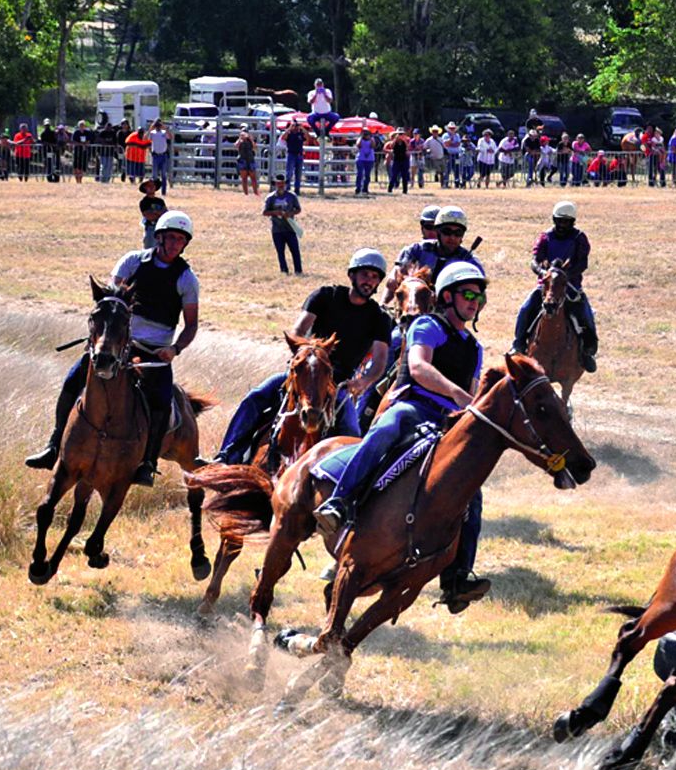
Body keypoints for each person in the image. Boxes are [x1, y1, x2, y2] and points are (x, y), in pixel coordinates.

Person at [313, 260, 491, 613]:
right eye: (469, 294)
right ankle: (339, 501)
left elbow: (473, 389)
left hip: (446, 421)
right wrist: (457, 395)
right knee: (385, 430)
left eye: (479, 297)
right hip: (414, 406)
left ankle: (456, 578)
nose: (475, 301)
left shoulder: (474, 346)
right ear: (447, 297)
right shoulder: (428, 325)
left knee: (473, 494)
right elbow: (419, 367)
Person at [25, 211, 201, 486]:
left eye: (181, 239)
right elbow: (109, 301)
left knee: (162, 402)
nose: (175, 244)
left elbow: (191, 326)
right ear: (159, 238)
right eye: (171, 238)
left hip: (155, 352)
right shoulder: (132, 261)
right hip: (118, 342)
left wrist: (175, 349)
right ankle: (53, 445)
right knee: (73, 380)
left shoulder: (187, 279)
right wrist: (102, 336)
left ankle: (147, 463)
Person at [211, 249, 393, 466]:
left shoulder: (379, 318)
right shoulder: (326, 296)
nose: (369, 281)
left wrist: (363, 381)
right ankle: (226, 456)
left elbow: (380, 361)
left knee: (352, 431)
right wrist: (312, 354)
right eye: (365, 274)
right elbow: (298, 332)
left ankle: (346, 488)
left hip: (338, 384)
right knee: (256, 397)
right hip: (304, 371)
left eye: (375, 277)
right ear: (352, 275)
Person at [512, 201, 597, 371]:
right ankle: (518, 344)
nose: (562, 225)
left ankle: (588, 350)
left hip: (571, 287)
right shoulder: (545, 237)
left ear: (572, 222)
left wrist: (565, 276)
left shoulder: (579, 238)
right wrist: (543, 274)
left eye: (566, 222)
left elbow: (582, 263)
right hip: (546, 287)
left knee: (585, 314)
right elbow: (534, 260)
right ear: (554, 219)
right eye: (559, 221)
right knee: (526, 308)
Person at [263, 174, 303, 274]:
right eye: (278, 183)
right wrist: (276, 213)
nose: (281, 185)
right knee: (280, 252)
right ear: (275, 184)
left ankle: (298, 270)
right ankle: (284, 270)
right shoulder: (270, 198)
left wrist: (290, 214)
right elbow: (265, 212)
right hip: (277, 230)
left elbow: (298, 209)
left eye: (282, 183)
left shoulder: (292, 196)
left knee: (295, 251)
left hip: (290, 228)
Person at [138, 179, 167, 249]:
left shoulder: (160, 201)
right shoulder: (144, 202)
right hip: (150, 229)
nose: (151, 187)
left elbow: (165, 214)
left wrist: (154, 212)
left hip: (161, 229)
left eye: (152, 185)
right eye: (148, 186)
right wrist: (159, 213)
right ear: (145, 188)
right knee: (148, 250)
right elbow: (148, 216)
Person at [235, 127, 259, 195]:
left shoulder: (251, 140)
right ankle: (246, 193)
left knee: (253, 178)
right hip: (242, 160)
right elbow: (236, 146)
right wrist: (240, 138)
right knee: (244, 178)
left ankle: (256, 193)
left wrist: (250, 139)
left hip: (250, 160)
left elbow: (255, 148)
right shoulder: (239, 140)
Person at [354, 128, 376, 195]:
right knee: (360, 174)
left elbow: (373, 146)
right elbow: (358, 145)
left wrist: (371, 138)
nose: (366, 134)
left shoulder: (372, 139)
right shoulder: (360, 139)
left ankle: (365, 188)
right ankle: (358, 188)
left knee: (367, 175)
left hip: (369, 159)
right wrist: (361, 137)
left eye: (367, 133)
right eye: (364, 133)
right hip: (360, 158)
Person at [441, 121, 463, 188]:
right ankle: (446, 183)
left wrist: (450, 144)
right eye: (451, 128)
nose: (452, 129)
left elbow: (458, 144)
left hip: (456, 155)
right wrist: (451, 140)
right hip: (448, 155)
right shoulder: (445, 135)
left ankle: (457, 183)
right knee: (447, 169)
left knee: (457, 168)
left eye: (453, 128)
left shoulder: (457, 135)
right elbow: (445, 144)